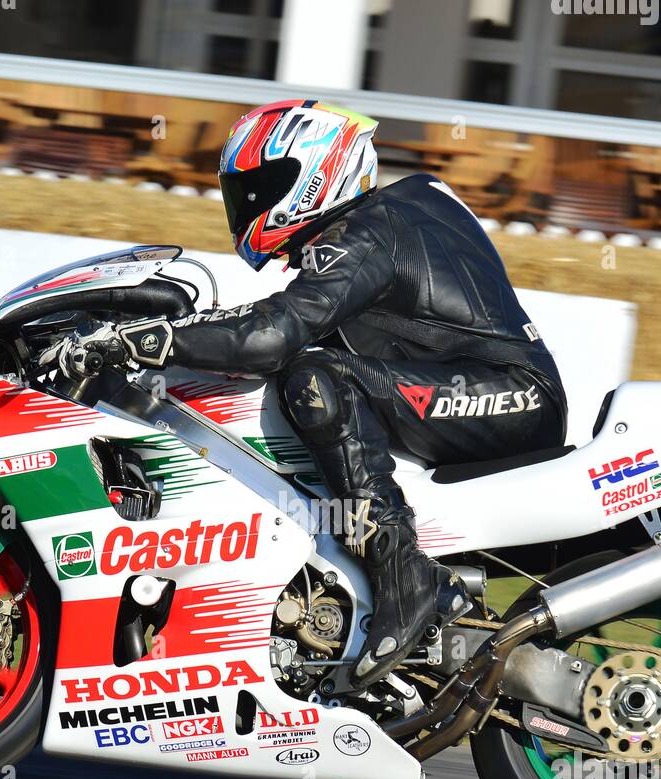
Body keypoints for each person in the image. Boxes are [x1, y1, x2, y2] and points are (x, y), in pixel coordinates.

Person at [72, 100, 568, 688]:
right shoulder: (394, 213)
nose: (247, 204)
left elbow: (271, 336)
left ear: (313, 172)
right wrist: (183, 337)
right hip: (487, 390)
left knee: (316, 377)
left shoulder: (368, 231)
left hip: (509, 394)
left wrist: (155, 339)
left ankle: (402, 573)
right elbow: (270, 322)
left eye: (259, 188)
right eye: (242, 191)